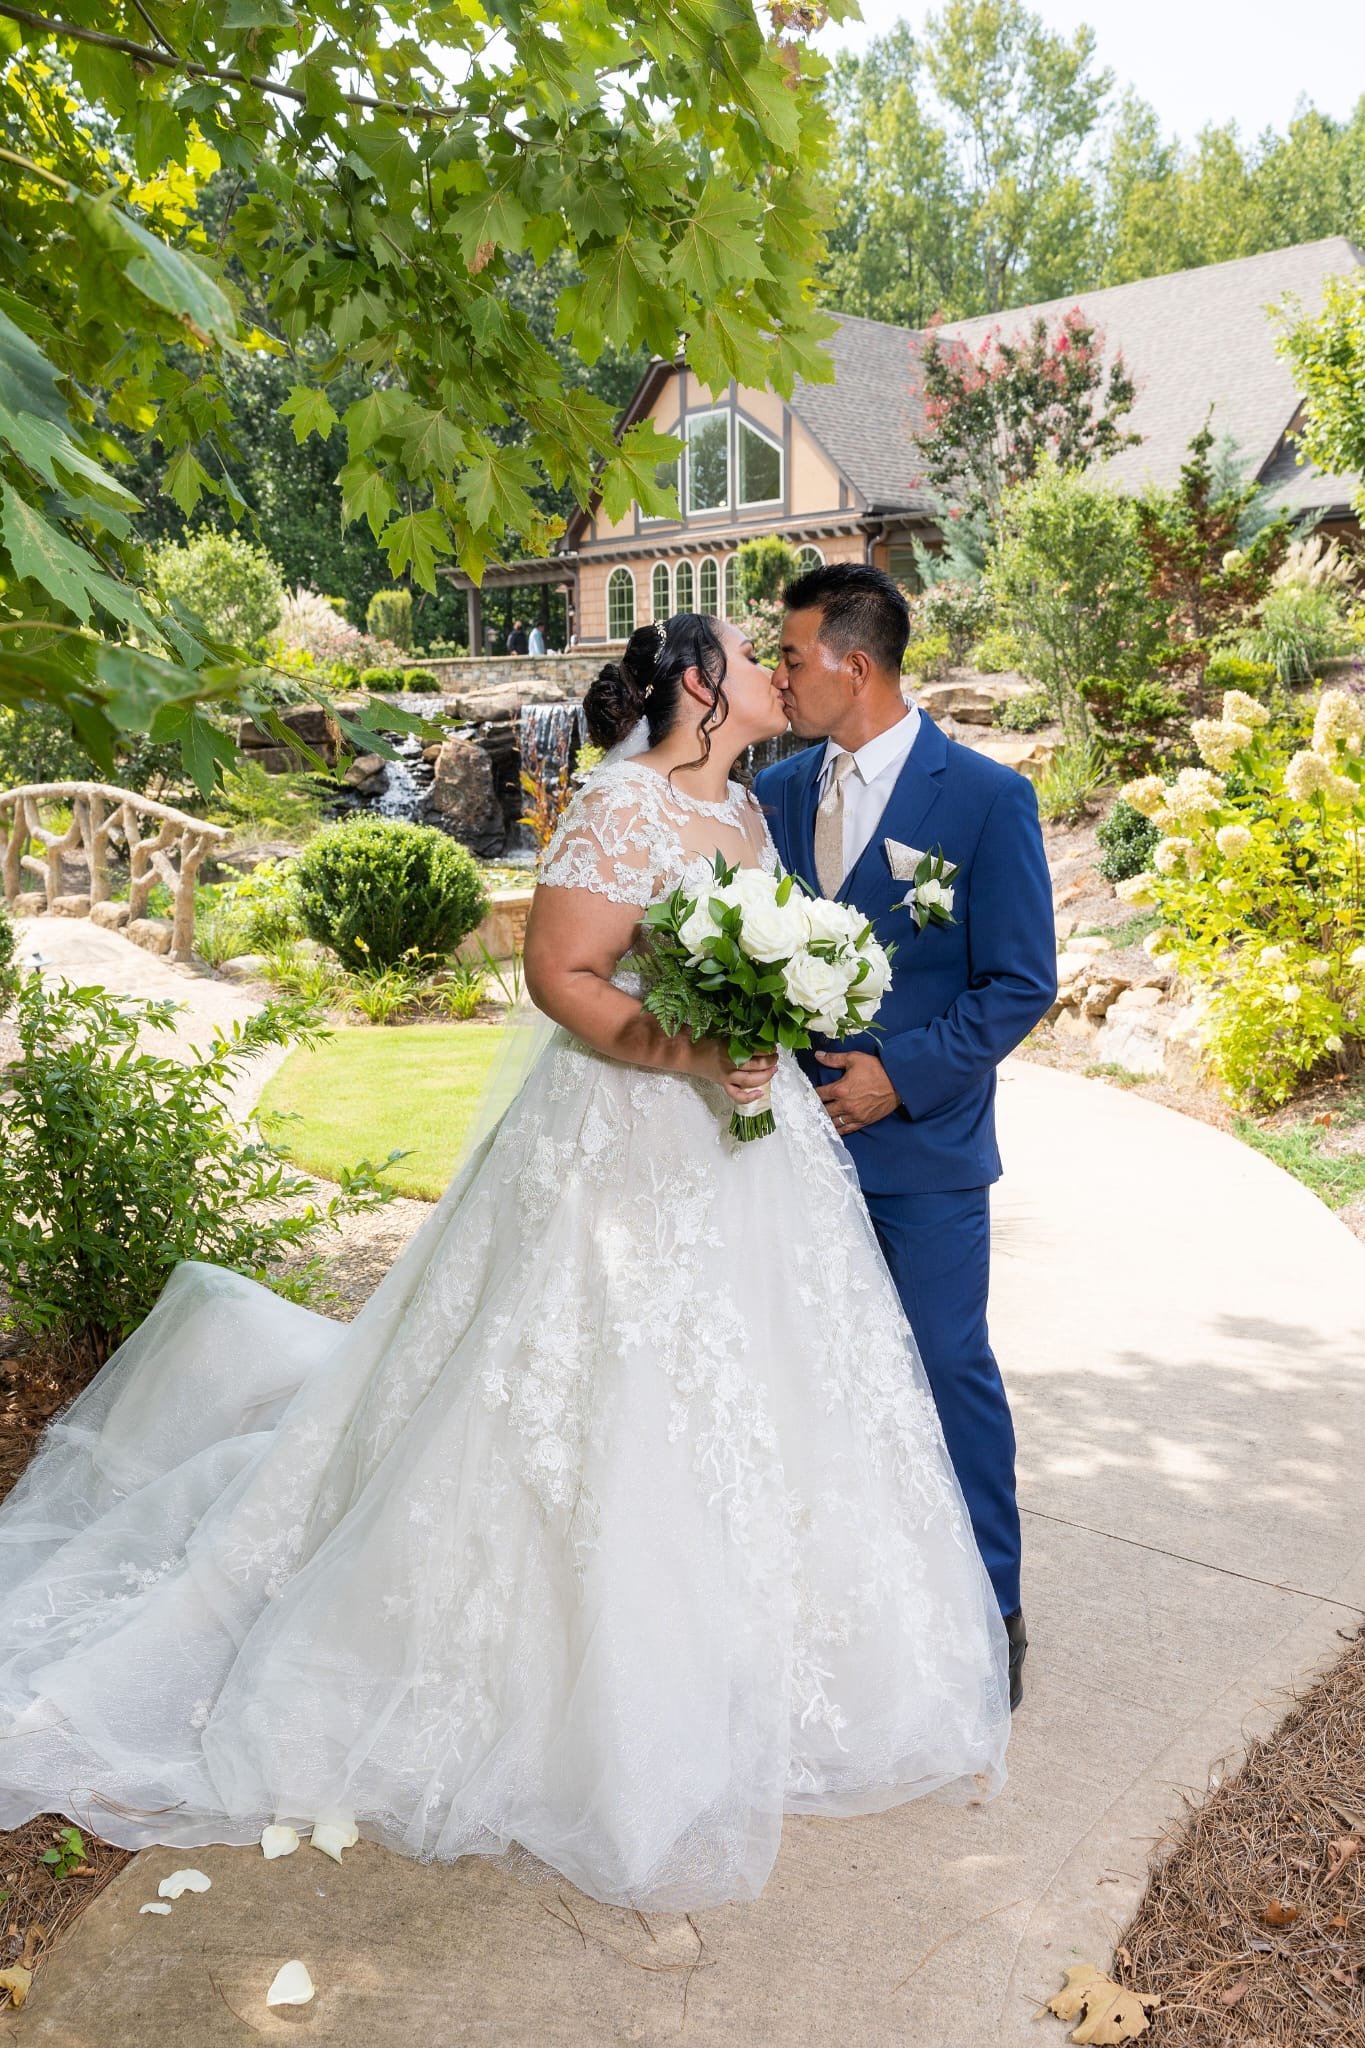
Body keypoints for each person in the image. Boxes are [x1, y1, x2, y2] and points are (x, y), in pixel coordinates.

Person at [0, 613, 1009, 1912]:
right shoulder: (619, 808)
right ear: (701, 690)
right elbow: (562, 974)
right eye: (751, 658)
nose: (774, 669)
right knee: (596, 1389)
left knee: (772, 1390)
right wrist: (693, 1051)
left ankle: (750, 1670)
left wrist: (786, 1008)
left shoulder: (751, 818)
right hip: (627, 1145)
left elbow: (748, 965)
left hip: (757, 1159)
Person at [754, 564, 1057, 1711]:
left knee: (944, 1368)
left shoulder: (984, 798)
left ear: (855, 665)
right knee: (810, 1376)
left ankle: (994, 1609)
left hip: (923, 1155)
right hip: (789, 1152)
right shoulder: (774, 794)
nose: (778, 674)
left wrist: (902, 1074)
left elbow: (1020, 980)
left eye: (790, 656)